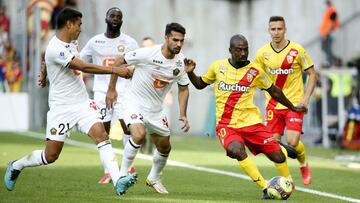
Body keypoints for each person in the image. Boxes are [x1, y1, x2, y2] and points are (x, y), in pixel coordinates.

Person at [3, 7, 137, 196]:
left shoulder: (71, 42)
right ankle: (17, 165)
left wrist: (44, 71)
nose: (81, 28)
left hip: (82, 104)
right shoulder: (55, 48)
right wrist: (115, 70)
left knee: (102, 135)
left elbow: (51, 59)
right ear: (69, 24)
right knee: (50, 156)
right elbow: (81, 65)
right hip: (62, 108)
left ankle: (118, 181)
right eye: (79, 24)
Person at [185, 34, 307, 199]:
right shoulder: (217, 67)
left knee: (278, 156)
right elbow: (200, 84)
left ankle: (287, 179)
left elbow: (274, 91)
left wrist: (292, 106)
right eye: (238, 50)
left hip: (252, 123)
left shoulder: (255, 71)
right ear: (230, 51)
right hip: (227, 125)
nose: (243, 53)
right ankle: (266, 187)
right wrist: (191, 74)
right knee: (236, 150)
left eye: (245, 49)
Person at [107, 22, 192, 194]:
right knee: (138, 134)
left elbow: (183, 88)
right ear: (166, 38)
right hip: (134, 102)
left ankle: (153, 178)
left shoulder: (181, 63)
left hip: (156, 110)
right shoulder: (147, 53)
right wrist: (111, 89)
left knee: (165, 147)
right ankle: (121, 177)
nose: (179, 44)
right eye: (175, 40)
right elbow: (119, 61)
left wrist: (183, 114)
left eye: (181, 41)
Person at [255, 16, 317, 185]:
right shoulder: (262, 53)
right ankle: (287, 181)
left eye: (279, 29)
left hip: (294, 103)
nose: (276, 32)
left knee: (292, 141)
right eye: (273, 29)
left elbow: (312, 74)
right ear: (269, 30)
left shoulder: (297, 50)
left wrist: (305, 99)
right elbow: (255, 77)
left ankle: (303, 164)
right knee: (274, 148)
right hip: (273, 104)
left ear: (285, 29)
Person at [80, 7, 139, 185]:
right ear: (106, 19)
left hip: (124, 93)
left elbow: (138, 64)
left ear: (122, 21)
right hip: (100, 93)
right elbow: (80, 61)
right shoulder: (95, 42)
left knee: (129, 129)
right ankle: (108, 171)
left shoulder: (129, 42)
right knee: (103, 132)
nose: (115, 19)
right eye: (112, 16)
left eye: (118, 17)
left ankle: (129, 167)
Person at [320, 0, 340, 65]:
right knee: (324, 48)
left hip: (327, 33)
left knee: (327, 48)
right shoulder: (329, 9)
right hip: (325, 33)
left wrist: (326, 33)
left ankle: (330, 62)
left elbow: (332, 22)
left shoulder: (332, 10)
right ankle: (335, 60)